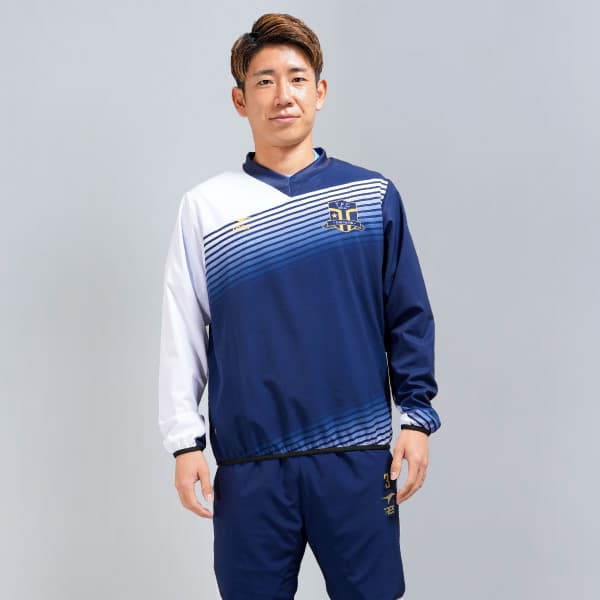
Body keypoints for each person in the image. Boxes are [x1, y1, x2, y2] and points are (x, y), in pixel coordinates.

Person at [158, 12, 442, 600]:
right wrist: (185, 442)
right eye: (263, 81)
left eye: (296, 78)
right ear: (240, 100)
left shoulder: (371, 196)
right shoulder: (206, 207)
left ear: (320, 91)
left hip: (357, 456)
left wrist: (416, 419)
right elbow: (181, 328)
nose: (282, 95)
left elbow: (408, 315)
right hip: (251, 465)